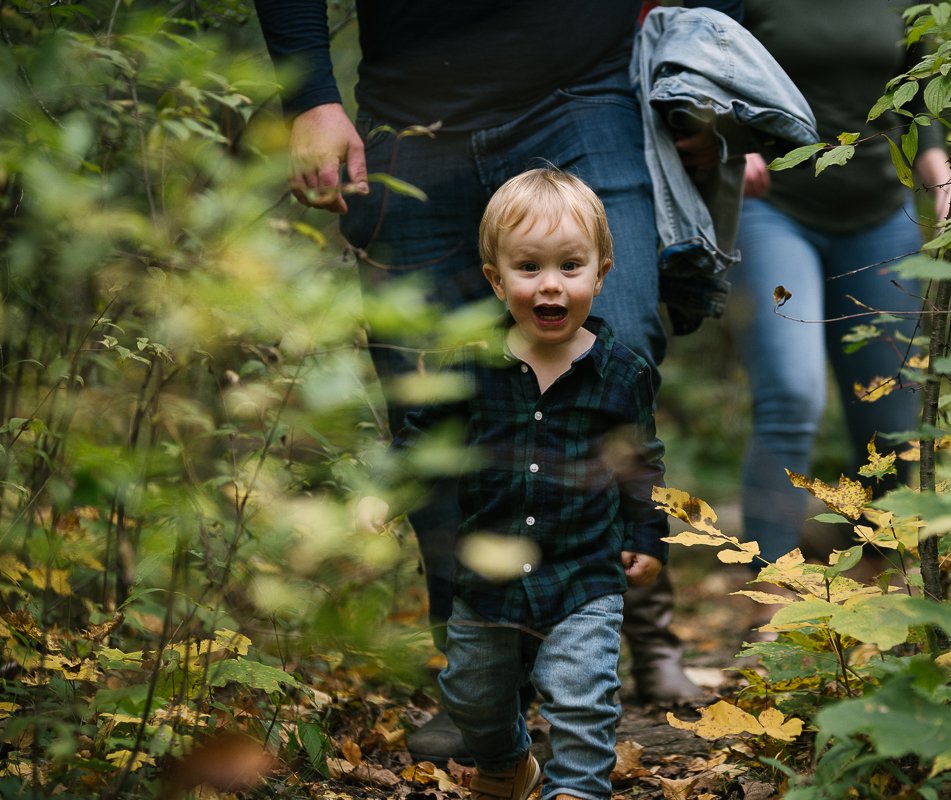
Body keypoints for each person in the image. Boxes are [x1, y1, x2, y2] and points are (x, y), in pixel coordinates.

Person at [250, 0, 732, 763]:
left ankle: (595, 623)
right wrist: (310, 92)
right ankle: (484, 677)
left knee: (625, 332)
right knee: (431, 401)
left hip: (583, 93)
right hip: (411, 115)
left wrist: (705, 74)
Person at [406, 168, 668, 800]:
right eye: (528, 267)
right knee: (472, 693)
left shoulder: (622, 373)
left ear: (601, 273)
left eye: (570, 266)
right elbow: (424, 442)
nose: (551, 284)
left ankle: (577, 788)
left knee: (582, 698)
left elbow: (640, 461)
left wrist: (648, 538)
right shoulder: (469, 363)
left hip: (584, 570)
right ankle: (506, 763)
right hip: (487, 571)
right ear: (497, 278)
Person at [727, 0, 951, 595]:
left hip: (882, 210)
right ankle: (771, 591)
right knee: (793, 394)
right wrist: (733, 137)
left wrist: (933, 153)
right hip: (776, 207)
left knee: (890, 417)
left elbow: (918, 72)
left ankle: (899, 588)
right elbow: (708, 59)